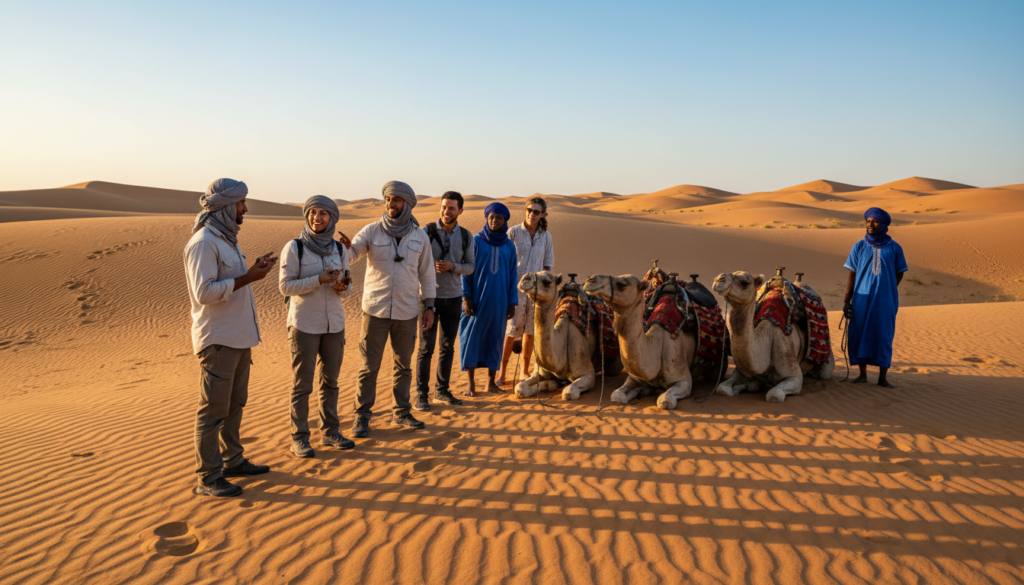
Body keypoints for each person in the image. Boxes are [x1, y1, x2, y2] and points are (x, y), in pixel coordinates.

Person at [184, 178, 275, 498]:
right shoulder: (204, 243)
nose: (245, 208)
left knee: (235, 404)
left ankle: (232, 460)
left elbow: (231, 281)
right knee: (212, 411)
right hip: (218, 339)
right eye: (240, 204)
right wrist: (250, 276)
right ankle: (208, 476)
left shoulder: (226, 239)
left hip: (239, 337)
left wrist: (253, 270)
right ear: (225, 206)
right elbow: (204, 292)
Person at [337, 181, 436, 438]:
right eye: (388, 199)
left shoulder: (420, 236)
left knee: (403, 366)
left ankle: (401, 412)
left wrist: (430, 306)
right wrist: (343, 250)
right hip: (375, 311)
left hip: (407, 311)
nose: (391, 204)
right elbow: (352, 254)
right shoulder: (372, 231)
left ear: (407, 204)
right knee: (368, 367)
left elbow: (426, 275)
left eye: (397, 200)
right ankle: (362, 417)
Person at [279, 195, 356, 458]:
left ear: (332, 218)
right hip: (304, 325)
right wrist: (318, 280)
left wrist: (342, 286)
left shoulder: (340, 249)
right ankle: (299, 438)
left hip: (334, 324)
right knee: (302, 385)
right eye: (313, 212)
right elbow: (285, 286)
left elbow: (348, 284)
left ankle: (331, 432)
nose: (317, 218)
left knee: (331, 382)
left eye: (323, 213)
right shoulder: (295, 248)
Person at [414, 191, 474, 411]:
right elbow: (414, 261)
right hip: (428, 298)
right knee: (425, 348)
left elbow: (470, 267)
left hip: (454, 298)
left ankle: (442, 390)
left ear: (460, 211)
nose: (446, 211)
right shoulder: (425, 232)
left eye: (451, 208)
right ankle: (421, 394)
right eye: (443, 207)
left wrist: (453, 267)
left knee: (447, 347)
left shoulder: (466, 236)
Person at [843, 207, 908, 388]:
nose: (870, 225)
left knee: (883, 334)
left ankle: (882, 378)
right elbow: (852, 273)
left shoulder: (895, 248)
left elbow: (900, 272)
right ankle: (862, 374)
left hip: (885, 301)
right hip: (861, 299)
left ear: (883, 224)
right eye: (868, 221)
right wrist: (847, 301)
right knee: (859, 332)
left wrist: (888, 288)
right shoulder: (859, 246)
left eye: (875, 221)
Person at [459, 202, 518, 395]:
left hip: (499, 302)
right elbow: (466, 272)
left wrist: (512, 302)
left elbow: (512, 275)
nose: (494, 221)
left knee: (495, 339)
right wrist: (466, 297)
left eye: (498, 218)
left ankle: (491, 383)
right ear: (487, 218)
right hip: (477, 300)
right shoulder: (476, 241)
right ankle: (471, 384)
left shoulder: (509, 246)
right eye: (491, 217)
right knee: (471, 339)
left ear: (504, 221)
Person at [498, 196, 554, 385]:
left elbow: (548, 265)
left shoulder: (546, 236)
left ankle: (524, 370)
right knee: (511, 330)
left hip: (535, 293)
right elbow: (504, 261)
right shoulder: (513, 232)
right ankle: (502, 372)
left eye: (536, 211)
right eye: (529, 210)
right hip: (515, 290)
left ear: (543, 214)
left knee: (530, 330)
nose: (532, 214)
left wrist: (544, 290)